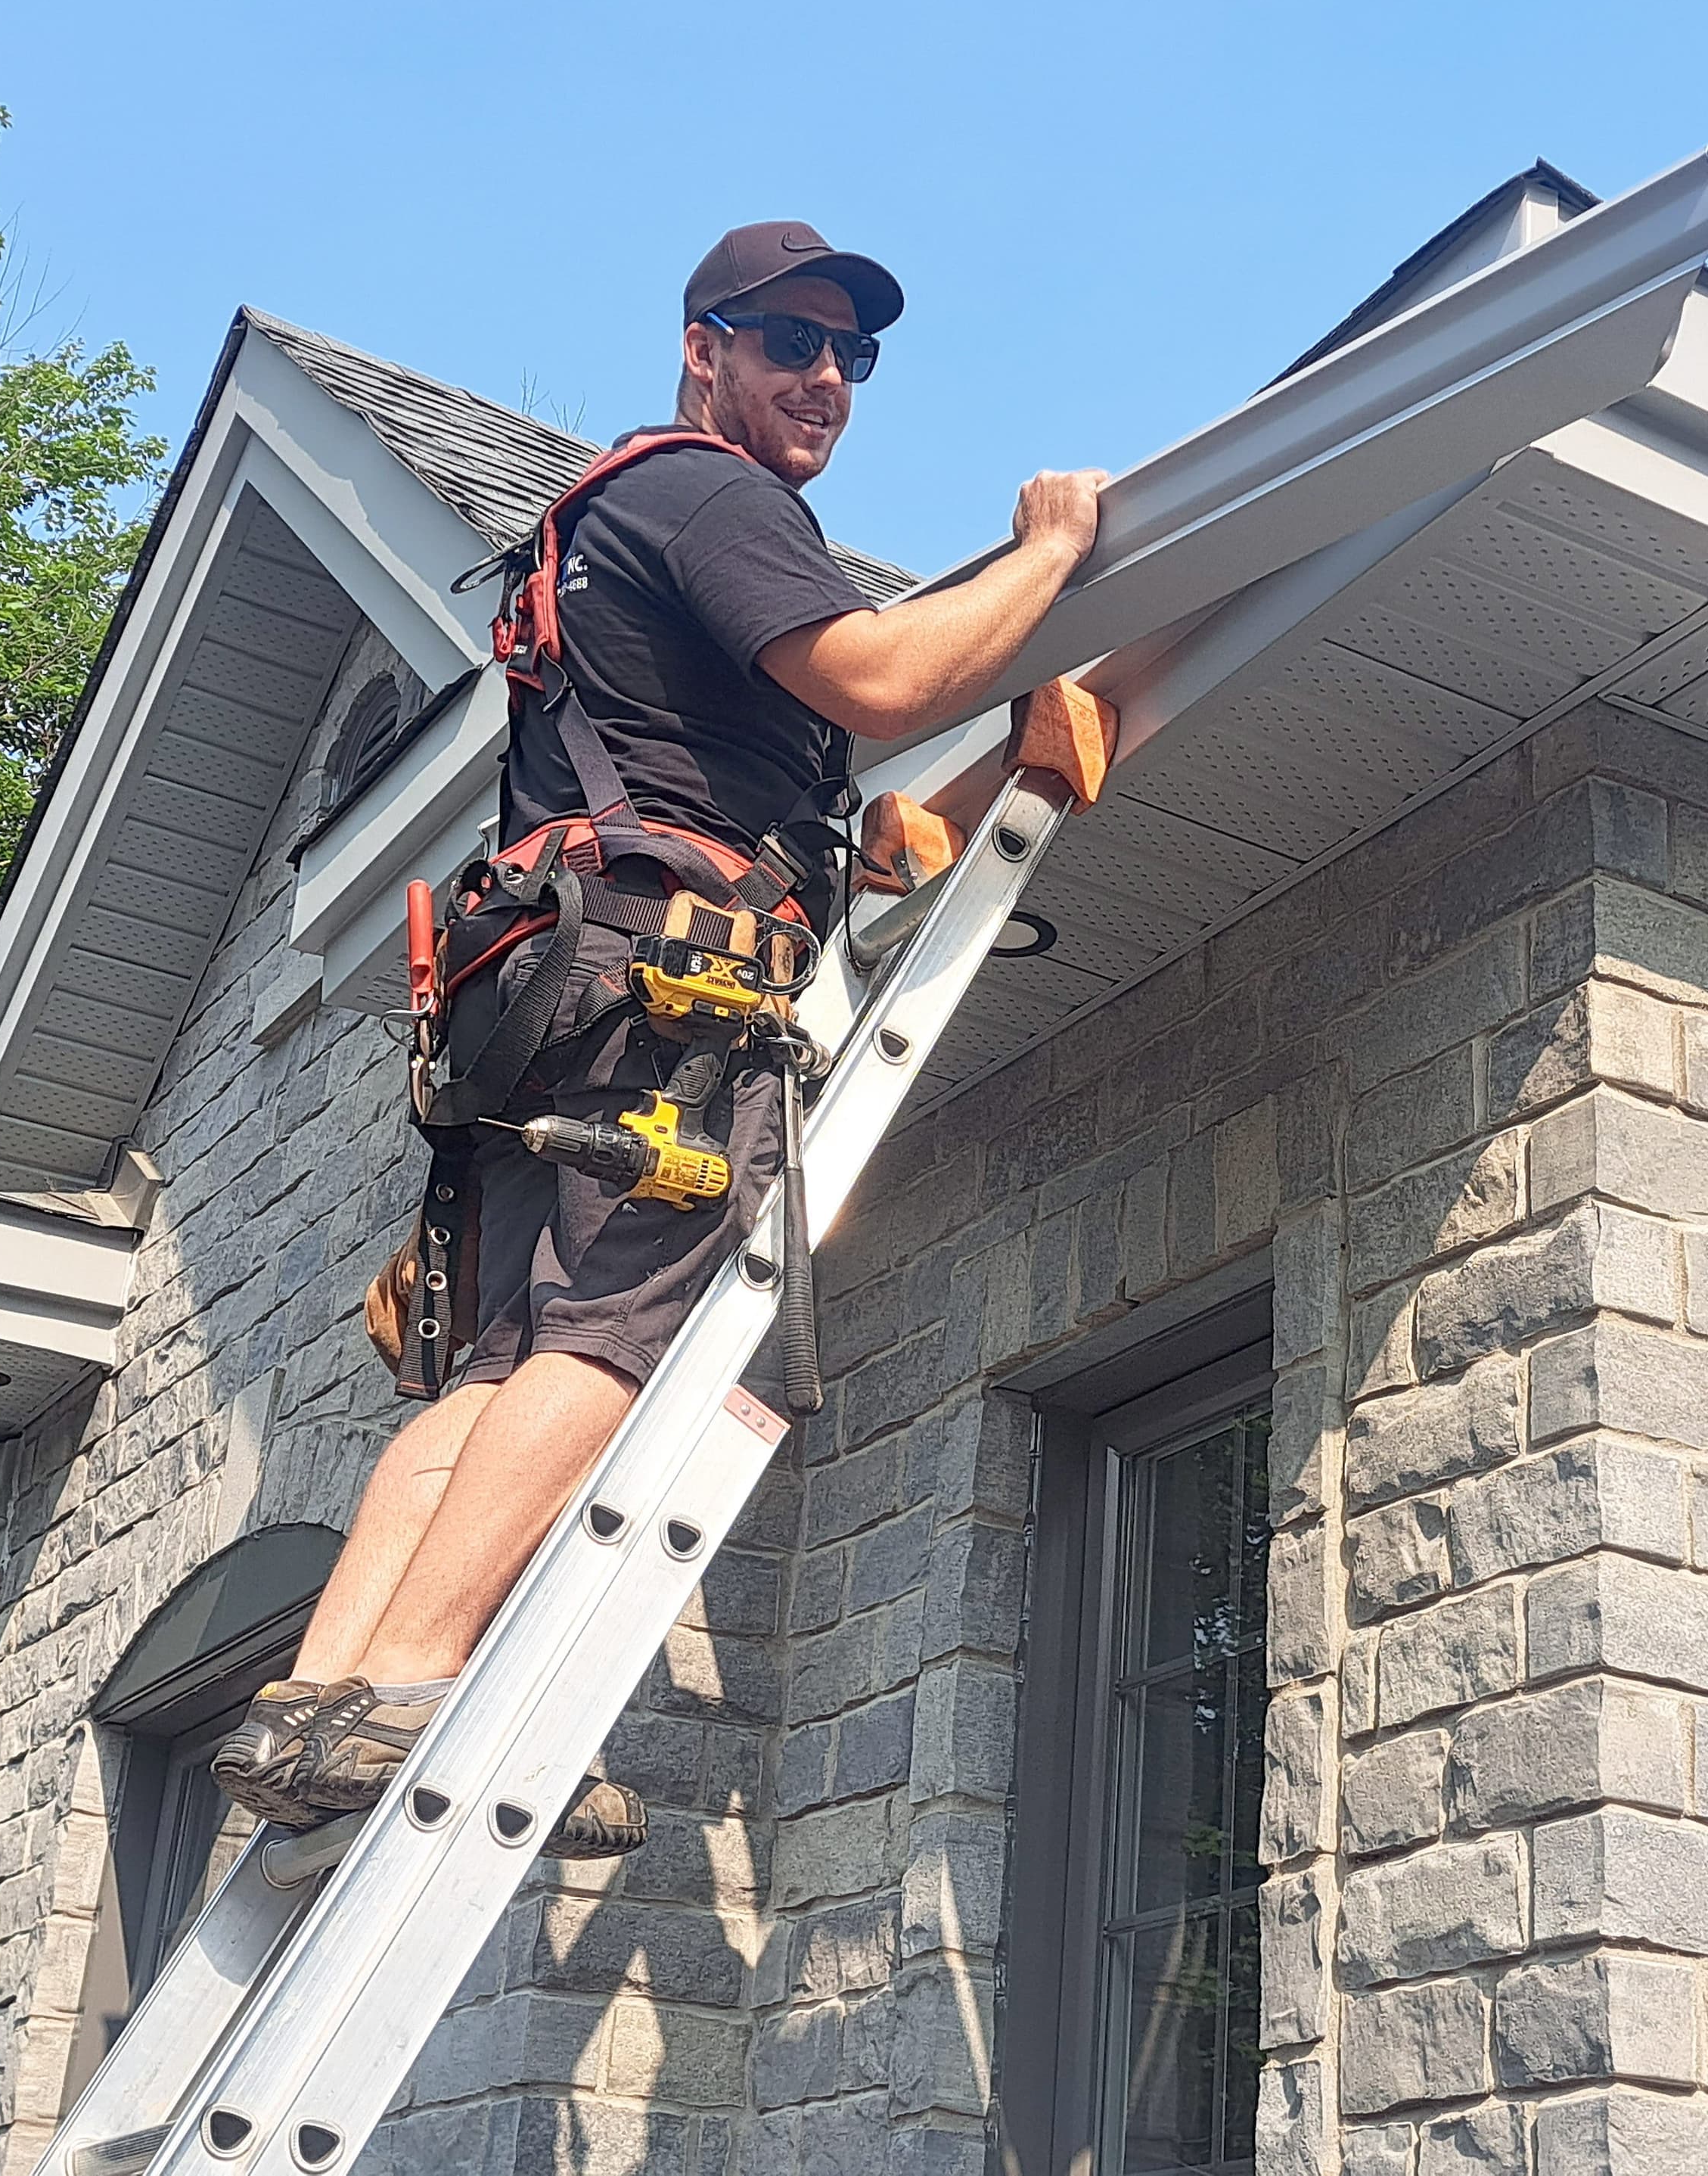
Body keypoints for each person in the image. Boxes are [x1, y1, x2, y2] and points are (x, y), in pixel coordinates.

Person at [212, 222, 1105, 1854]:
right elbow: (891, 676)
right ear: (706, 348)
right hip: (658, 995)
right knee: (617, 1344)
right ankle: (420, 1684)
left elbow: (866, 842)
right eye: (790, 341)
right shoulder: (713, 494)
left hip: (548, 997)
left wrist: (1022, 776)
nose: (826, 378)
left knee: (493, 1368)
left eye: (854, 356)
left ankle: (321, 1704)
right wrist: (1048, 559)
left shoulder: (616, 531)